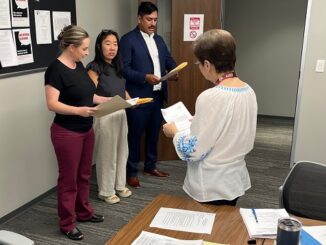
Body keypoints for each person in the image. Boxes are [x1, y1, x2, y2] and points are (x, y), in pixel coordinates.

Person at [163, 29, 257, 206]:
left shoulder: (209, 97)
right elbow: (232, 128)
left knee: (209, 229)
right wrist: (198, 121)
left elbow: (194, 150)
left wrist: (175, 132)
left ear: (207, 64)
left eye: (198, 63)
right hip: (234, 179)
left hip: (212, 184)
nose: (199, 68)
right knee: (224, 227)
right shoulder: (248, 91)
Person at [44, 25, 107, 241]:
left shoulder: (78, 64)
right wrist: (78, 111)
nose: (87, 53)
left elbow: (88, 95)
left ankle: (84, 212)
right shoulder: (55, 69)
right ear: (72, 47)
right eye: (84, 48)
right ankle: (67, 223)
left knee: (84, 175)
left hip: (85, 129)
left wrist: (112, 101)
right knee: (68, 179)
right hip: (66, 132)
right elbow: (52, 104)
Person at [120, 1, 177, 188]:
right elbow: (124, 69)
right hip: (139, 97)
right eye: (149, 19)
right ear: (139, 18)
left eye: (155, 20)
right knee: (134, 137)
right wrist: (145, 77)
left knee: (154, 134)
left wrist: (173, 71)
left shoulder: (159, 40)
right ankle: (131, 172)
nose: (153, 23)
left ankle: (150, 166)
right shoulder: (128, 40)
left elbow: (168, 60)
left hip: (158, 96)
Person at [87, 29, 132, 204]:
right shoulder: (94, 67)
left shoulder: (117, 66)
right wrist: (110, 100)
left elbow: (122, 90)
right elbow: (89, 95)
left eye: (115, 44)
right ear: (99, 46)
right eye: (108, 43)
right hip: (104, 114)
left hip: (120, 112)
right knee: (106, 154)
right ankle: (105, 191)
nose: (112, 48)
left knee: (122, 151)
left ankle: (120, 185)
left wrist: (133, 101)